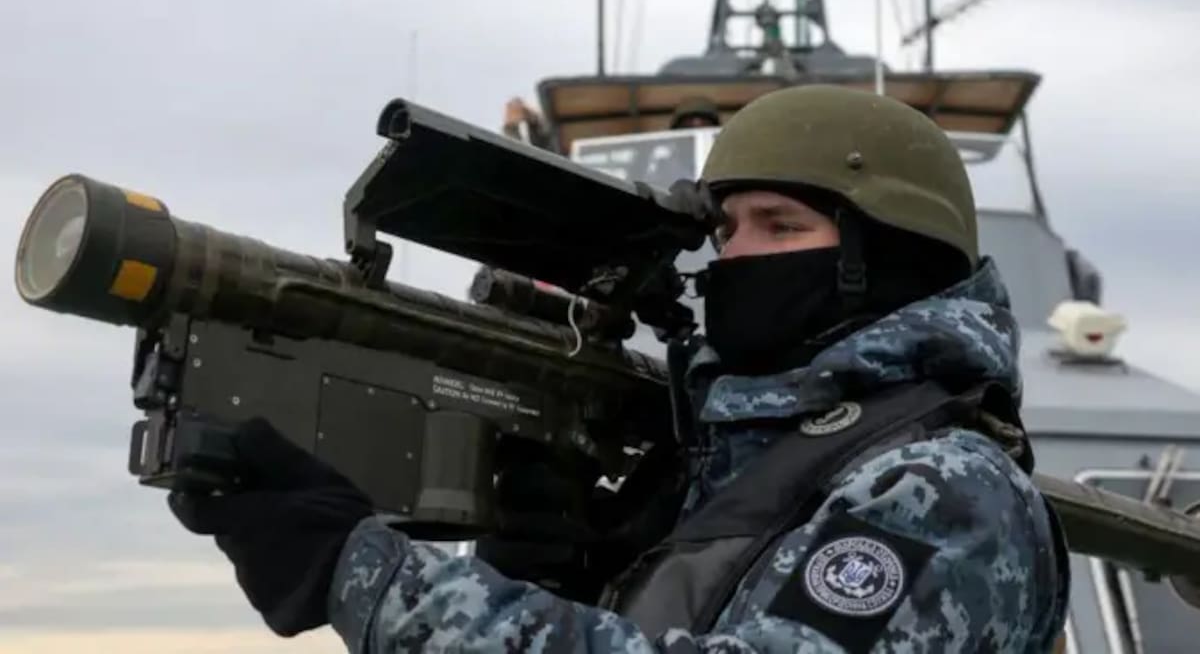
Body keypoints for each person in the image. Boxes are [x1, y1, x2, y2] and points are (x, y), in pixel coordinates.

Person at [169, 84, 1071, 652]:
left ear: (893, 257)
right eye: (724, 230)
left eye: (782, 226)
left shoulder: (944, 485)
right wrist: (558, 580)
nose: (737, 256)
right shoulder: (735, 468)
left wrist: (366, 575)